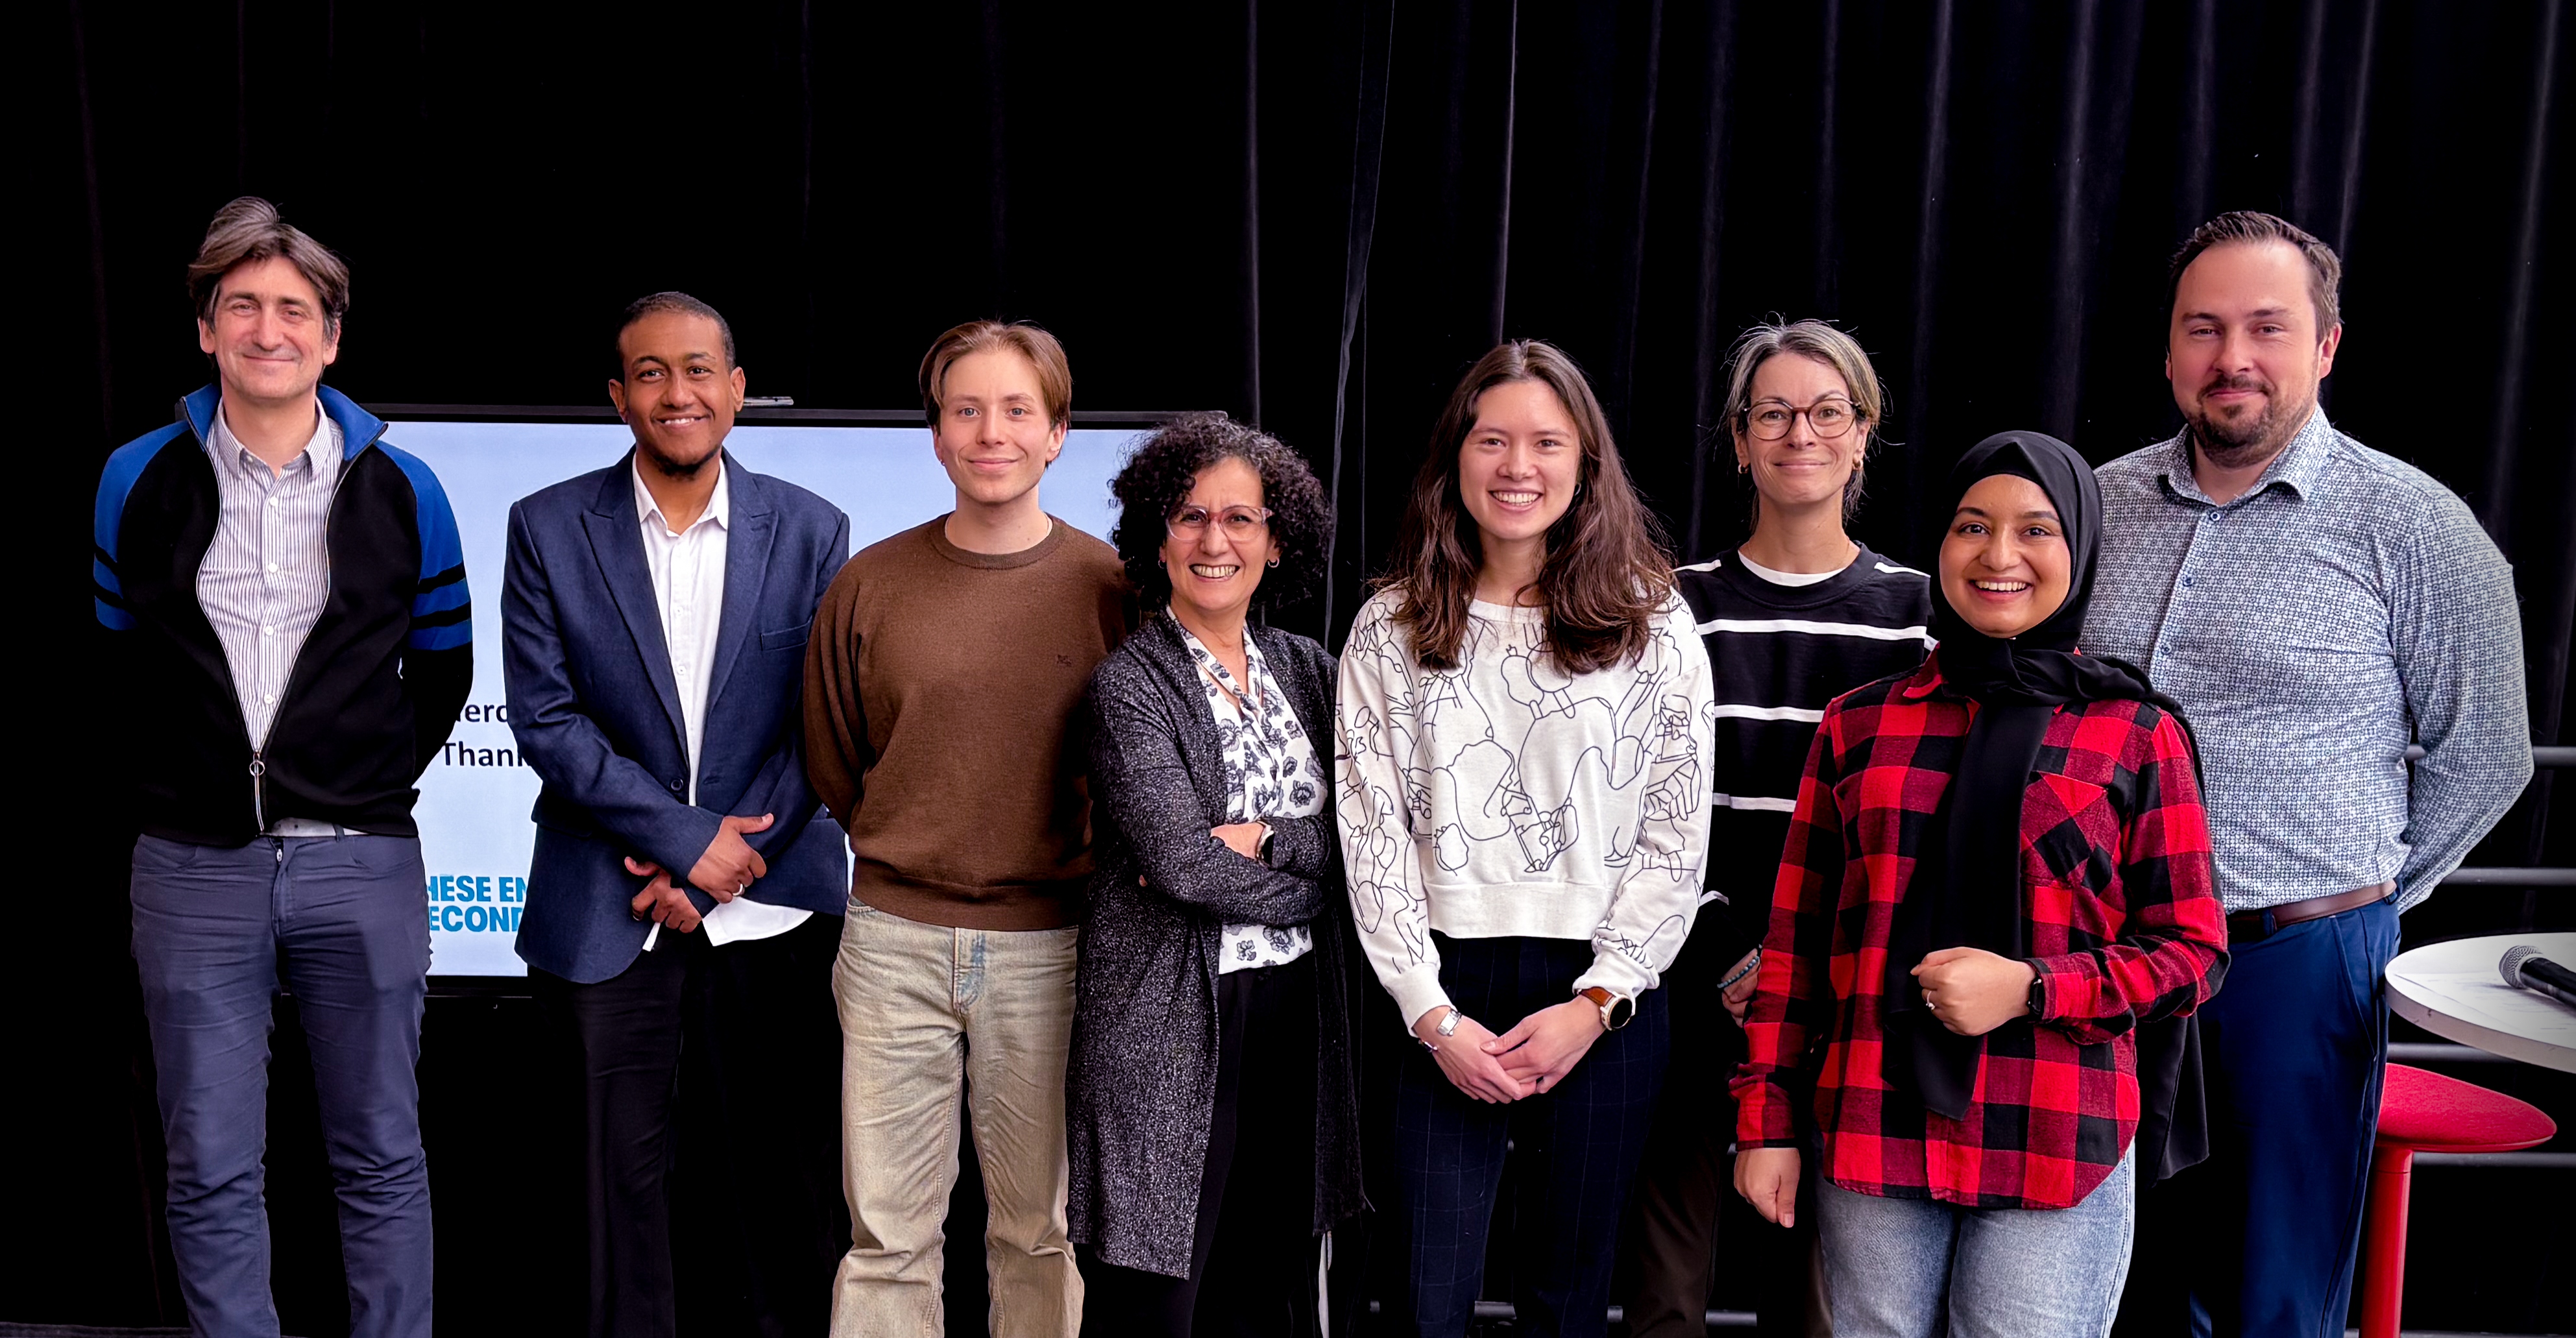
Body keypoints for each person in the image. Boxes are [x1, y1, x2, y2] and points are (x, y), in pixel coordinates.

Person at [2085, 211, 2532, 1338]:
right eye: (2203, 328)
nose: (2231, 356)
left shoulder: (2414, 526)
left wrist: (2356, 901)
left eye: (2266, 327)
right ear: (2170, 350)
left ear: (2325, 345)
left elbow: (2486, 754)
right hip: (2106, 964)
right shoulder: (2093, 506)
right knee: (2111, 1285)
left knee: (2273, 1297)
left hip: (2291, 963)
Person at [1729, 429, 2228, 1337]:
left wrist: (2034, 987)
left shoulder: (2135, 733)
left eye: (2035, 530)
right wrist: (1765, 1121)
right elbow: (1796, 944)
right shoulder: (1859, 726)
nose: (1999, 556)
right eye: (1971, 526)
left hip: (2053, 1136)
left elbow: (2191, 953)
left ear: (2080, 550)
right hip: (1873, 1122)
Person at [91, 197, 470, 1338]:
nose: (270, 329)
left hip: (360, 862)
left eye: (295, 309)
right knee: (209, 1162)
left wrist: (352, 779)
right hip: (191, 868)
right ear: (207, 329)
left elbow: (441, 670)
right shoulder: (133, 478)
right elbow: (118, 661)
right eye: (244, 305)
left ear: (332, 337)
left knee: (382, 1154)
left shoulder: (407, 487)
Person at [1335, 339, 1715, 1338]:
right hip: (1435, 991)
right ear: (1454, 458)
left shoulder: (1652, 621)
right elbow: (1371, 834)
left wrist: (1598, 1001)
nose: (1517, 466)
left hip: (1601, 997)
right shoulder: (1388, 626)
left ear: (1584, 462)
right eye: (1492, 439)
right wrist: (1432, 1016)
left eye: (1546, 442)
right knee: (1422, 1302)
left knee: (1566, 1303)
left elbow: (1674, 833)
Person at [503, 293, 853, 1337]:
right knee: (612, 1197)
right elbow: (547, 720)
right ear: (619, 397)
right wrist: (687, 843)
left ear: (736, 390)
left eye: (698, 369)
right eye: (650, 373)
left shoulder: (812, 527)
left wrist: (726, 862)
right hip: (604, 904)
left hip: (772, 905)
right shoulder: (547, 525)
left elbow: (825, 721)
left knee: (783, 1187)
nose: (676, 393)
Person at [804, 319, 1137, 1337]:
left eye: (1016, 410)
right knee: (887, 1236)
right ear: (937, 434)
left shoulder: (1110, 588)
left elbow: (1135, 767)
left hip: (1051, 945)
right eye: (966, 410)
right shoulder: (870, 583)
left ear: (1057, 433)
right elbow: (834, 756)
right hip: (891, 941)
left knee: (1037, 1230)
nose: (991, 432)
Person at [1631, 320, 1931, 1338]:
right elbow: (1639, 803)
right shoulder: (1672, 609)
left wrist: (1805, 964)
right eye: (1773, 413)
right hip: (1688, 971)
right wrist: (1727, 952)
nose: (1799, 433)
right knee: (1663, 1288)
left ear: (1862, 434)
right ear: (1739, 438)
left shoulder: (1918, 615)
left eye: (1825, 412)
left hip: (1846, 989)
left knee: (1818, 1295)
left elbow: (1917, 818)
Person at [1067, 413, 1364, 1337]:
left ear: (1277, 542)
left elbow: (1369, 837)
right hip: (1169, 1022)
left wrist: (1269, 840)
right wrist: (1327, 886)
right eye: (1190, 516)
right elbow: (1182, 864)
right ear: (1156, 539)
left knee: (1263, 1288)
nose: (1214, 540)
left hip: (1297, 1013)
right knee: (1158, 1300)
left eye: (1240, 518)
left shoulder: (1312, 672)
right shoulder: (1130, 685)